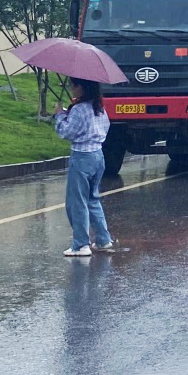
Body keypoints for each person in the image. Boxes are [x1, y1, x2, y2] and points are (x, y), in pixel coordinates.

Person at [54, 77, 115, 257]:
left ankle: (81, 244)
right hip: (98, 156)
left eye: (74, 86)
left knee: (76, 202)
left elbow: (67, 132)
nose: (72, 89)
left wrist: (59, 115)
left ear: (81, 87)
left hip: (82, 157)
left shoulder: (80, 109)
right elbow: (105, 127)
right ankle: (103, 239)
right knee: (92, 199)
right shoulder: (99, 107)